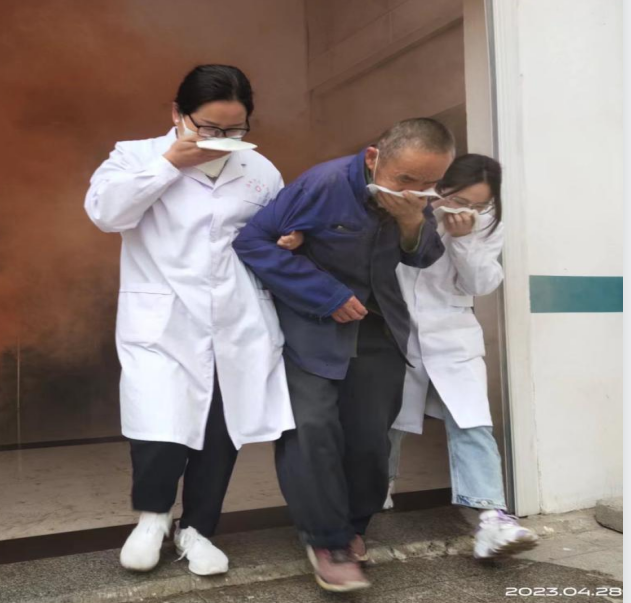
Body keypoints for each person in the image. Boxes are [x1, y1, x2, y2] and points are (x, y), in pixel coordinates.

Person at [84, 65, 295, 576]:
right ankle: (153, 518)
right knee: (159, 422)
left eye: (235, 129)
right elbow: (105, 213)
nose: (223, 139)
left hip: (238, 319)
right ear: (178, 113)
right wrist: (168, 165)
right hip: (163, 319)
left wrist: (292, 239)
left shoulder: (261, 170)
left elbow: (274, 233)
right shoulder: (135, 155)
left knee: (222, 426)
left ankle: (198, 527)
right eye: (210, 128)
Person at [233, 118, 451, 592]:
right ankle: (326, 540)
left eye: (427, 184)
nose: (413, 191)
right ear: (374, 158)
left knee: (371, 437)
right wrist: (324, 293)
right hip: (313, 325)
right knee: (312, 429)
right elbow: (252, 241)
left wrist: (411, 220)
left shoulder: (417, 200)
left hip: (377, 327)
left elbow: (423, 256)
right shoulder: (323, 184)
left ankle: (353, 526)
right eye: (404, 180)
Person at [383, 154, 538, 558]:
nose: (466, 210)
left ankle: (491, 519)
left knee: (472, 422)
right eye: (458, 200)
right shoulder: (407, 206)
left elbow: (482, 283)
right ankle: (374, 496)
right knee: (386, 422)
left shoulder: (488, 225)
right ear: (441, 186)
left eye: (479, 204)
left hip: (453, 336)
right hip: (395, 331)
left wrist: (465, 241)